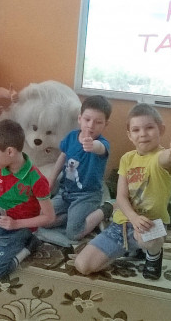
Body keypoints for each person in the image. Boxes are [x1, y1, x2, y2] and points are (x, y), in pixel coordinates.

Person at [74, 103, 171, 280]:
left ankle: (153, 255)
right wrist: (133, 218)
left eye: (149, 128)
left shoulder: (159, 157)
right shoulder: (127, 159)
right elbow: (121, 197)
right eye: (136, 130)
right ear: (130, 135)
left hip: (150, 224)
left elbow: (164, 159)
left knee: (148, 239)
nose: (143, 134)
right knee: (82, 265)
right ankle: (131, 249)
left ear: (161, 130)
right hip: (122, 224)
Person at [0, 119, 55, 279]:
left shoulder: (36, 179)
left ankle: (29, 245)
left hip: (20, 226)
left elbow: (49, 217)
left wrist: (16, 224)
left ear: (10, 152)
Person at [46, 95, 112, 241]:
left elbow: (100, 149)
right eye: (87, 119)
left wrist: (92, 145)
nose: (91, 125)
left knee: (73, 234)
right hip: (65, 191)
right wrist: (51, 180)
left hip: (87, 195)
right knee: (42, 219)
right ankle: (70, 216)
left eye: (98, 122)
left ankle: (106, 209)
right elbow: (63, 156)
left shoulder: (102, 144)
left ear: (106, 124)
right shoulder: (71, 137)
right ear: (79, 119)